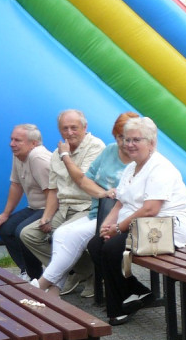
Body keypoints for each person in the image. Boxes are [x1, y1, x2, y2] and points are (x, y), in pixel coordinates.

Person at [88, 117, 186, 325]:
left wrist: (117, 229)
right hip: (139, 226)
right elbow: (119, 203)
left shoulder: (161, 168)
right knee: (96, 243)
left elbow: (151, 209)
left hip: (164, 229)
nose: (130, 144)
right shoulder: (131, 168)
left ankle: (119, 308)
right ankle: (136, 291)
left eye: (136, 140)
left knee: (112, 248)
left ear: (151, 143)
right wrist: (107, 226)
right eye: (127, 139)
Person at [33, 112, 138, 296]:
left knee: (74, 236)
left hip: (117, 215)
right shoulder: (109, 150)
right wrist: (103, 192)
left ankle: (39, 286)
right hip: (98, 211)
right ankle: (54, 291)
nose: (126, 143)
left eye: (130, 138)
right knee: (60, 233)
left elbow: (137, 198)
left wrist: (65, 155)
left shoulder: (140, 158)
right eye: (120, 136)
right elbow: (85, 179)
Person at [20, 110, 105, 282]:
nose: (69, 133)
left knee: (61, 234)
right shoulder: (55, 154)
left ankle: (59, 278)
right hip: (64, 208)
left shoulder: (95, 146)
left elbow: (82, 179)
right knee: (28, 234)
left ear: (85, 127)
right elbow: (53, 190)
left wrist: (65, 156)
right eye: (64, 128)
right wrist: (47, 216)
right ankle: (86, 271)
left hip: (88, 207)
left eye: (74, 127)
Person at [0, 124, 52, 280]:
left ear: (33, 143)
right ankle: (26, 270)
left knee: (21, 231)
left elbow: (54, 193)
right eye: (11, 139)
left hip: (52, 207)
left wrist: (47, 217)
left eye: (17, 140)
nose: (12, 144)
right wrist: (5, 214)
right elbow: (16, 184)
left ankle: (37, 277)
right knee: (4, 227)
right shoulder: (18, 154)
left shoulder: (38, 158)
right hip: (35, 207)